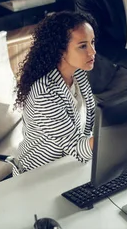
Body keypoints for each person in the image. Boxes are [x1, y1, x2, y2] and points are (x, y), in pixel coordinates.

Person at [14, 11, 97, 173]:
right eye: (83, 46)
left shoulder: (78, 74)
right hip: (38, 173)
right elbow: (77, 147)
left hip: (70, 165)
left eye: (92, 42)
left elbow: (87, 128)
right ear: (60, 50)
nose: (92, 51)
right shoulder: (44, 94)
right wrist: (116, 137)